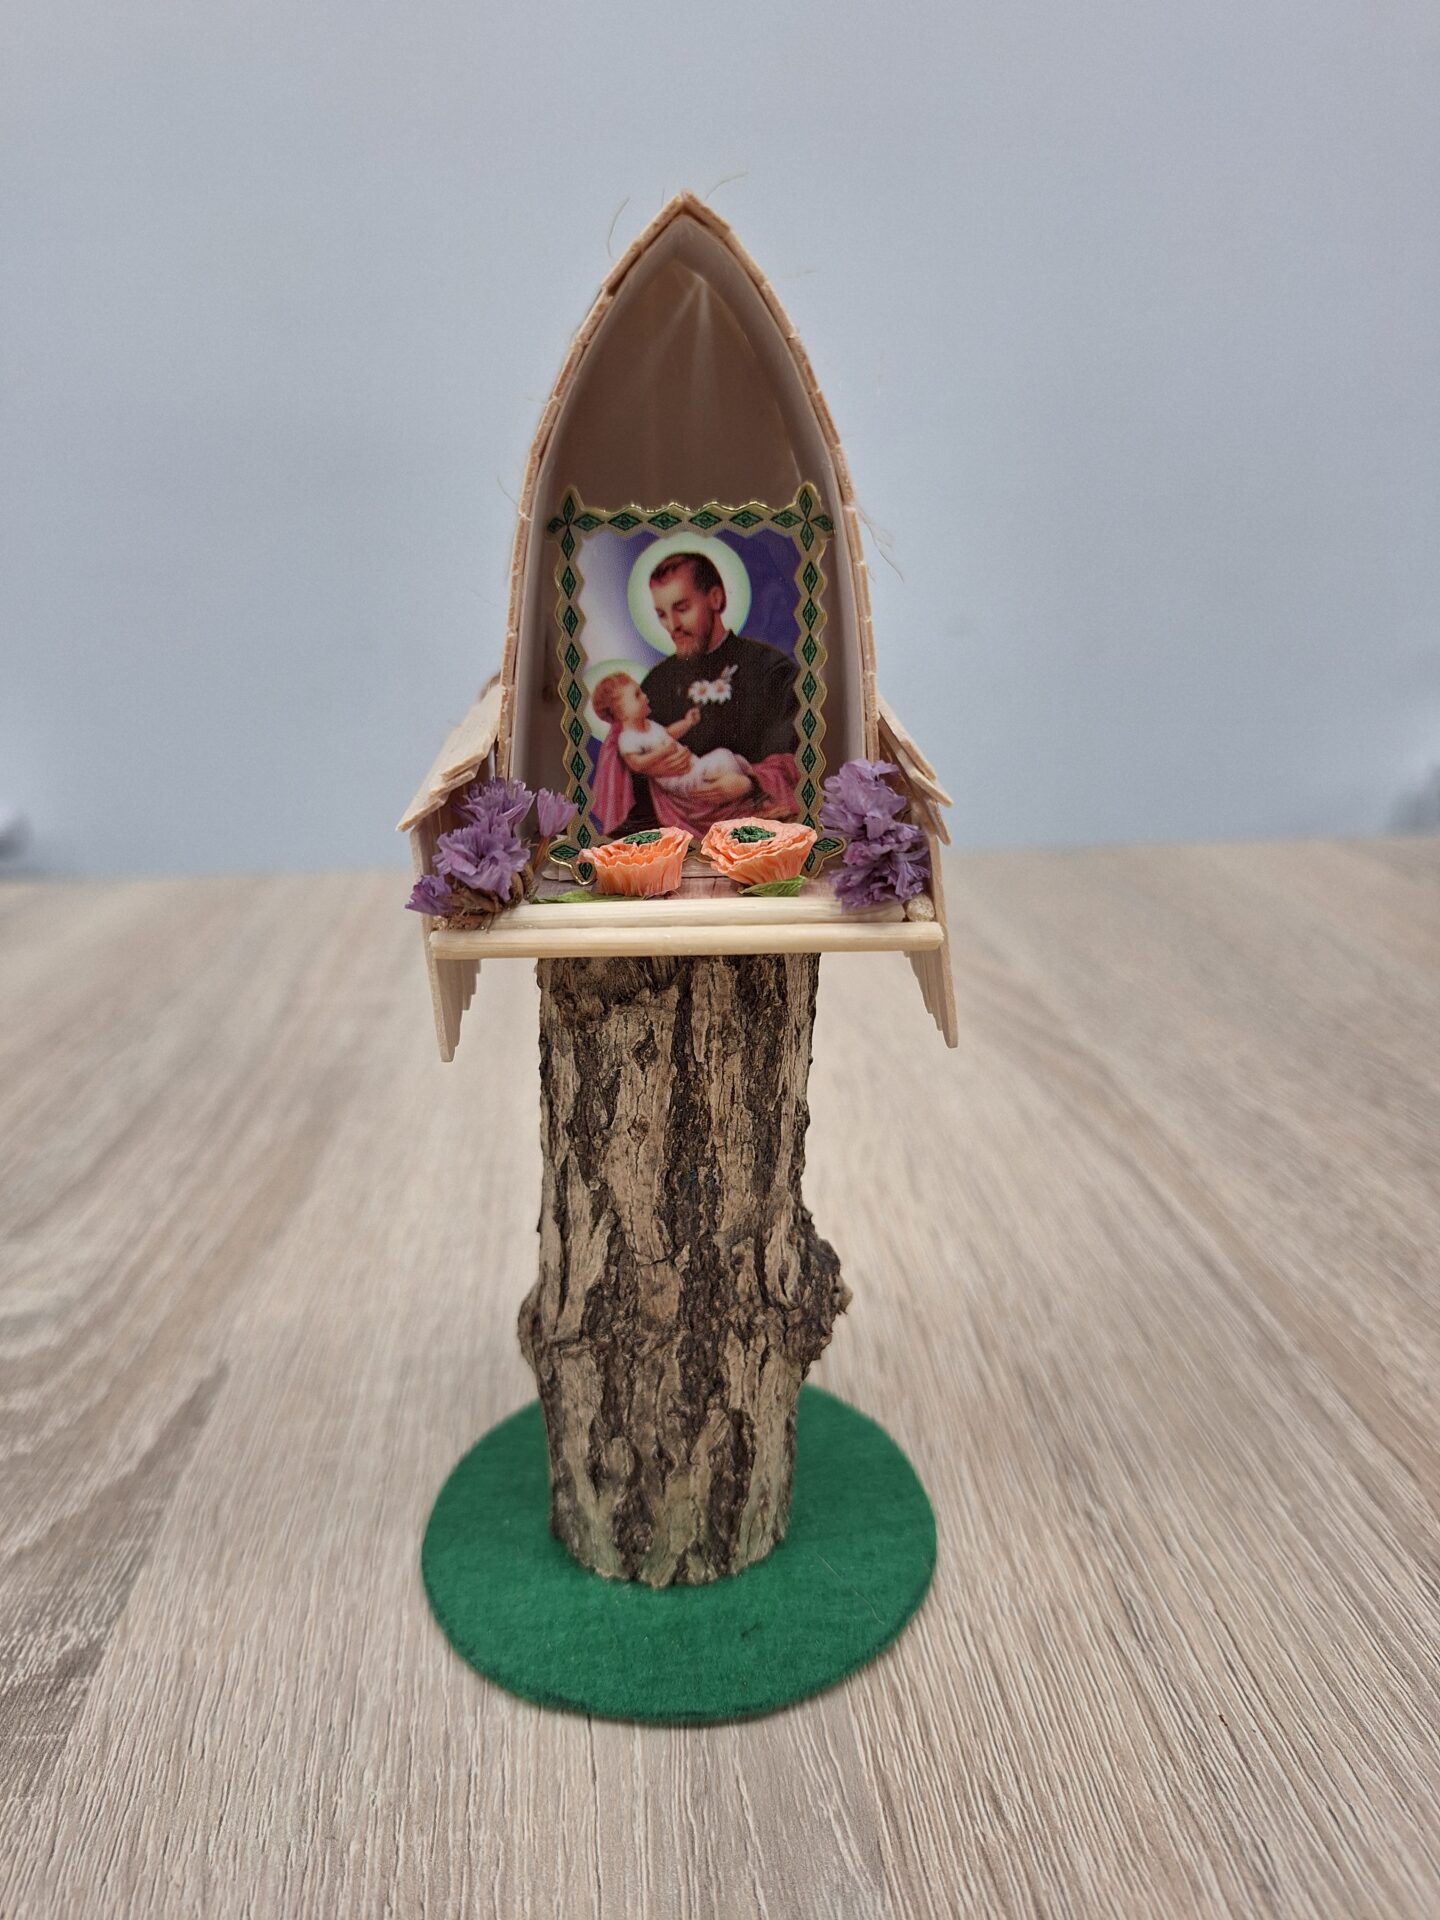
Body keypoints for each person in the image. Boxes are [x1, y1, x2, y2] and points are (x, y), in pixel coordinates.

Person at [597, 551, 800, 834]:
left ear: (715, 598)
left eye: (681, 608)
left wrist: (748, 784)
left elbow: (796, 761)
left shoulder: (771, 670)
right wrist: (650, 770)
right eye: (661, 615)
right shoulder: (655, 683)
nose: (672, 626)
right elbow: (632, 785)